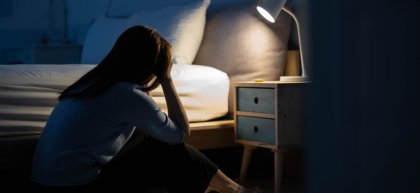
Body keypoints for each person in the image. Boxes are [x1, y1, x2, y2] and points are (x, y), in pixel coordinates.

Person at [30, 25, 262, 193]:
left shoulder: (91, 83)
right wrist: (167, 80)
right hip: (77, 187)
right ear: (151, 65)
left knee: (153, 140)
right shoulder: (127, 94)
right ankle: (234, 189)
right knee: (170, 148)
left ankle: (231, 189)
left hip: (42, 182)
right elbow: (181, 134)